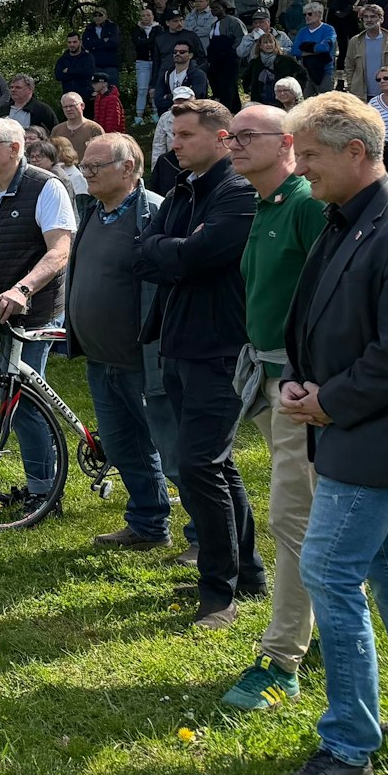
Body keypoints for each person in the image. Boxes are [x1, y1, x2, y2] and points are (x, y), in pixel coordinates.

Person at [272, 92, 388, 775]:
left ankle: (349, 752)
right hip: (346, 425)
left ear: (357, 153)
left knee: (330, 572)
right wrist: (298, 380)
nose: (300, 166)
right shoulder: (345, 218)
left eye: (310, 155)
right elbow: (316, 317)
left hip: (378, 434)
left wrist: (327, 402)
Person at [211, 103, 324, 710]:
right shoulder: (266, 204)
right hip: (269, 380)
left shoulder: (306, 205)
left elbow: (333, 298)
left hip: (298, 389)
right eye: (230, 134)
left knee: (292, 520)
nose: (232, 143)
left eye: (245, 135)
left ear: (287, 144)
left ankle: (282, 658)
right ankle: (329, 628)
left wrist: (308, 380)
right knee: (308, 520)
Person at [136, 98, 259, 631]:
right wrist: (177, 250)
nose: (173, 143)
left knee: (199, 465)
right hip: (180, 342)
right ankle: (246, 573)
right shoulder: (183, 190)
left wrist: (175, 252)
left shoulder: (237, 192)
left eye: (185, 135)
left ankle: (219, 593)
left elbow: (190, 257)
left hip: (221, 347)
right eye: (173, 134)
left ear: (222, 136)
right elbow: (143, 253)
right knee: (217, 465)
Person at [59, 133, 179, 551]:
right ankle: (148, 523)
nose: (85, 173)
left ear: (128, 168)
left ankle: (206, 538)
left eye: (95, 167)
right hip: (101, 358)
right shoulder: (94, 211)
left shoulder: (156, 212)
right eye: (85, 167)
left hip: (144, 361)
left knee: (174, 452)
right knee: (125, 448)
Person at [0, 117, 74, 508]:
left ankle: (45, 492)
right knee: (14, 398)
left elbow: (59, 251)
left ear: (15, 148)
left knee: (23, 401)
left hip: (34, 311)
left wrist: (24, 289)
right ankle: (41, 484)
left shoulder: (46, 187)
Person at [295, 2, 338, 93]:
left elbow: (324, 48)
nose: (307, 16)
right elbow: (294, 50)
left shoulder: (328, 29)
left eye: (310, 14)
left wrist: (304, 48)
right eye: (305, 14)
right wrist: (315, 49)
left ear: (319, 14)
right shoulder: (302, 31)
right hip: (306, 72)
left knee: (325, 103)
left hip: (325, 72)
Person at [132, 6, 161, 124]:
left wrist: (145, 43)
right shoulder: (136, 29)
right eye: (143, 16)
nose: (146, 18)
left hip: (156, 61)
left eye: (148, 15)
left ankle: (155, 113)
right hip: (142, 62)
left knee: (155, 88)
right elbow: (138, 43)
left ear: (153, 16)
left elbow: (158, 42)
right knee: (142, 88)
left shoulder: (158, 28)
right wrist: (149, 42)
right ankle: (139, 116)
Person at [53, 92, 102, 161]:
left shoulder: (94, 129)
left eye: (72, 105)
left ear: (82, 106)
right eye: (65, 107)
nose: (68, 109)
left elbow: (101, 154)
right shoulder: (57, 130)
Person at [53, 33, 98, 102]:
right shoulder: (62, 59)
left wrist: (69, 71)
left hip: (86, 97)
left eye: (74, 42)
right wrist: (79, 73)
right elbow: (58, 76)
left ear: (80, 42)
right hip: (68, 97)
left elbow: (88, 72)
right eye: (69, 42)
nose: (72, 45)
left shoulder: (88, 57)